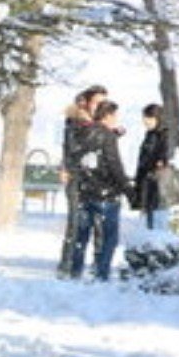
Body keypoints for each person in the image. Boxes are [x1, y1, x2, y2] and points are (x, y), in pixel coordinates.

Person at [71, 100, 132, 281]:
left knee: (81, 235)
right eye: (115, 116)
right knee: (109, 237)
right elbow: (114, 164)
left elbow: (83, 157)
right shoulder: (107, 136)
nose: (116, 120)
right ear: (108, 116)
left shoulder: (82, 133)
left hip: (85, 191)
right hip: (107, 192)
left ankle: (75, 270)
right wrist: (127, 188)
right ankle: (102, 273)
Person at [58, 84, 107, 277]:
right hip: (78, 178)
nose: (100, 107)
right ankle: (68, 265)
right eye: (97, 102)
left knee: (98, 224)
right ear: (86, 103)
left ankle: (97, 265)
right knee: (76, 223)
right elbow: (74, 151)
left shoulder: (99, 124)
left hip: (96, 180)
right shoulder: (76, 123)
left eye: (104, 103)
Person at [133, 104, 174, 231]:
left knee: (157, 211)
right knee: (148, 212)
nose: (145, 121)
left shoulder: (164, 134)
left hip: (156, 178)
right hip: (147, 176)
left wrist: (160, 162)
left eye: (149, 118)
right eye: (144, 117)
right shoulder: (150, 134)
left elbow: (164, 154)